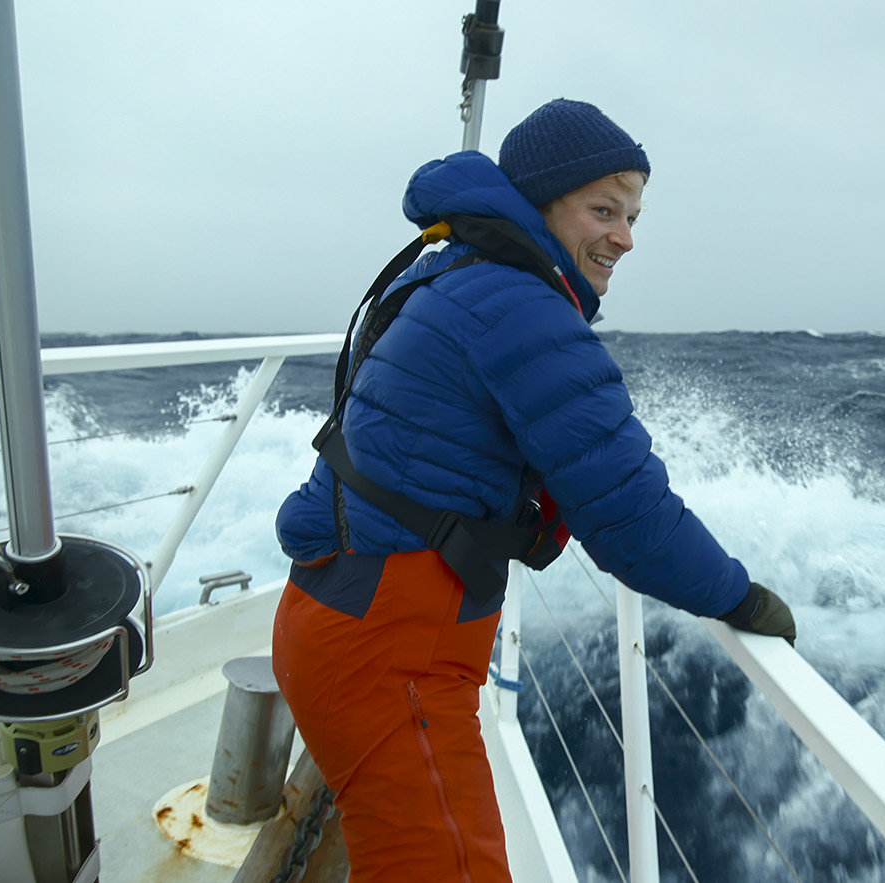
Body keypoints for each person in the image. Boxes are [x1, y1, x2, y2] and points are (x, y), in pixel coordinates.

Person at [271, 98, 797, 883]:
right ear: (543, 200)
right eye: (603, 209)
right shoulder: (522, 306)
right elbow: (627, 511)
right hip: (389, 654)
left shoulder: (455, 267)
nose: (624, 236)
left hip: (342, 618)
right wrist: (741, 598)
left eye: (632, 215)